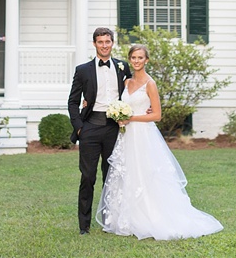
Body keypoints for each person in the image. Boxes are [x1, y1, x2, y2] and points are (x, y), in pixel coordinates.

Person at [95, 43, 223, 240]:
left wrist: (132, 118)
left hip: (143, 135)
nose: (137, 61)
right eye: (134, 58)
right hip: (126, 135)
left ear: (146, 60)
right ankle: (124, 218)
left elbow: (157, 115)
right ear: (130, 60)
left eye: (140, 58)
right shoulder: (126, 82)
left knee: (146, 173)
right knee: (126, 172)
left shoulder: (150, 84)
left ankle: (149, 216)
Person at [67, 27, 132, 235]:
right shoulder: (83, 70)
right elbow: (73, 102)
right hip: (90, 128)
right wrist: (79, 128)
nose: (104, 45)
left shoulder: (122, 67)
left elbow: (132, 92)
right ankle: (84, 225)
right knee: (87, 177)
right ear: (94, 44)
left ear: (112, 43)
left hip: (114, 127)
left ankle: (108, 221)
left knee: (111, 176)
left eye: (108, 41)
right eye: (100, 42)